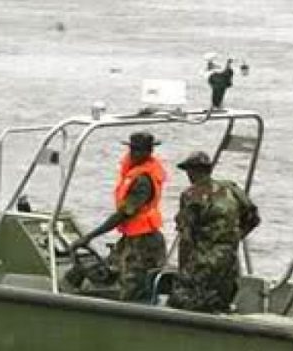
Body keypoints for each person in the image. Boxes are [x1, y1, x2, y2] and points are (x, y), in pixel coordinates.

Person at [67, 132, 167, 302]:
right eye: (133, 149)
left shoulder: (143, 181)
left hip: (144, 242)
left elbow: (123, 214)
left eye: (140, 150)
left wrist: (89, 236)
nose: (134, 154)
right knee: (102, 271)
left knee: (131, 292)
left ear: (149, 152)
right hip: (131, 239)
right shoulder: (135, 173)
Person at [168, 151, 260, 313]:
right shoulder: (231, 188)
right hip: (230, 261)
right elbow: (253, 219)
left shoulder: (191, 195)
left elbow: (186, 239)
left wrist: (183, 273)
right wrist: (234, 238)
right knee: (220, 301)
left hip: (204, 262)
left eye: (188, 170)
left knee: (180, 299)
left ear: (192, 171)